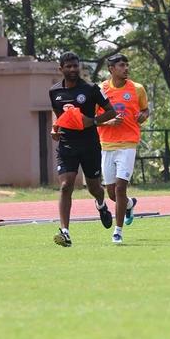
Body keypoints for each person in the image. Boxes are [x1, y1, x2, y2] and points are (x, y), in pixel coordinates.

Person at [48, 51, 119, 247]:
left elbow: (111, 111)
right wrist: (55, 128)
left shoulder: (91, 89)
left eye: (75, 66)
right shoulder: (54, 92)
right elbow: (58, 115)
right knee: (65, 186)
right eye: (68, 66)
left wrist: (93, 121)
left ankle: (101, 205)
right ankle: (65, 232)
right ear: (60, 69)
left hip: (89, 145)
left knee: (94, 188)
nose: (72, 69)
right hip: (67, 145)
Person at [96, 54, 149, 244]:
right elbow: (93, 119)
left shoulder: (137, 89)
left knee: (120, 187)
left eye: (127, 65)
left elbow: (145, 109)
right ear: (111, 69)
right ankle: (128, 204)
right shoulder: (101, 90)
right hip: (106, 145)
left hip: (128, 144)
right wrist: (108, 121)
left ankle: (117, 232)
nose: (126, 68)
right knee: (111, 192)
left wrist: (143, 115)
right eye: (121, 65)